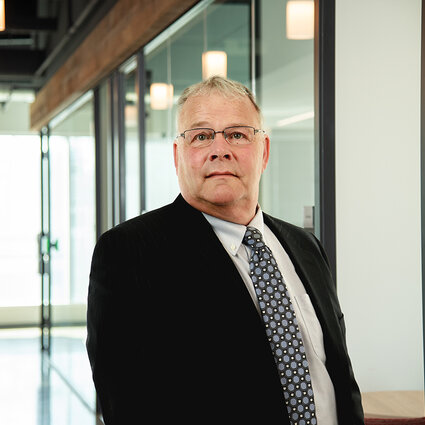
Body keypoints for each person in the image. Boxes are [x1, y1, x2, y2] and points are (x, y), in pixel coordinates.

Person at [86, 76, 364, 424]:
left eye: (237, 134)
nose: (220, 149)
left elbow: (340, 376)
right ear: (178, 155)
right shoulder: (129, 253)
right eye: (201, 136)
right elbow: (129, 405)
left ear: (264, 151)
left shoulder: (305, 246)